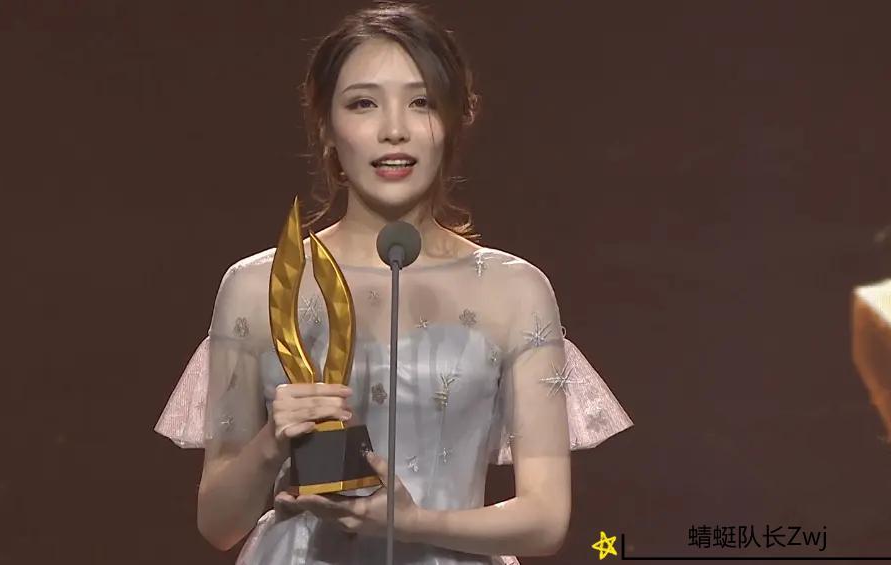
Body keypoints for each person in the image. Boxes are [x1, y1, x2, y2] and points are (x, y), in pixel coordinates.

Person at [154, 3, 634, 563]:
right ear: (326, 126)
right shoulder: (258, 285)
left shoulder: (515, 290)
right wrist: (270, 443)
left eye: (421, 102)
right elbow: (218, 525)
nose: (394, 130)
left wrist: (414, 523)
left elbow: (545, 521)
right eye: (363, 103)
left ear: (455, 119)